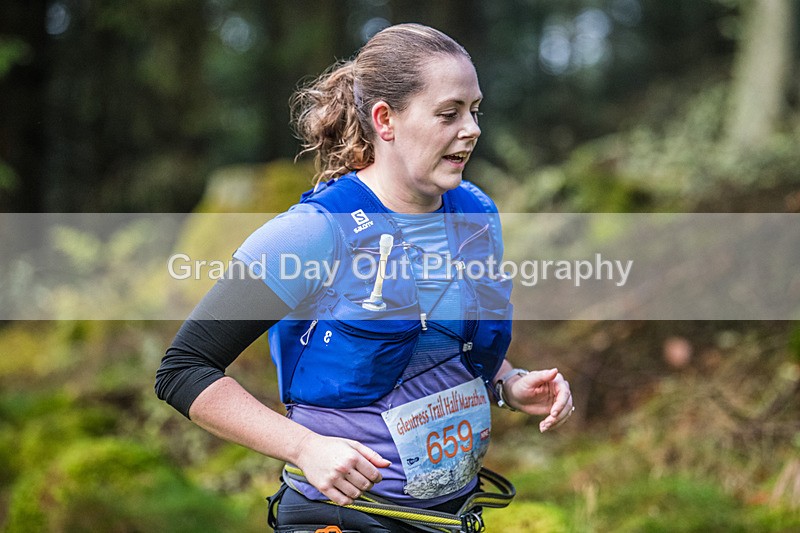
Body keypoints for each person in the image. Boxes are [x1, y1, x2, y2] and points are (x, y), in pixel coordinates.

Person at [155, 23, 574, 533]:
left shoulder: (474, 214)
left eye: (474, 110)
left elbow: (440, 343)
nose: (472, 129)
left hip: (451, 518)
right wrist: (304, 446)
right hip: (344, 518)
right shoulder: (313, 234)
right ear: (385, 120)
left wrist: (507, 383)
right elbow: (184, 369)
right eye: (449, 113)